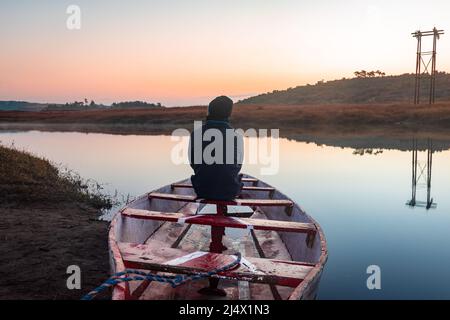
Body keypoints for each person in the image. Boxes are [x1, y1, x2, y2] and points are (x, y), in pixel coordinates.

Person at [189, 96, 243, 201]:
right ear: (229, 114)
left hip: (202, 190)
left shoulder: (196, 134)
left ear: (209, 112)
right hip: (230, 191)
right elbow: (238, 165)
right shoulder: (237, 136)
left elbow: (193, 164)